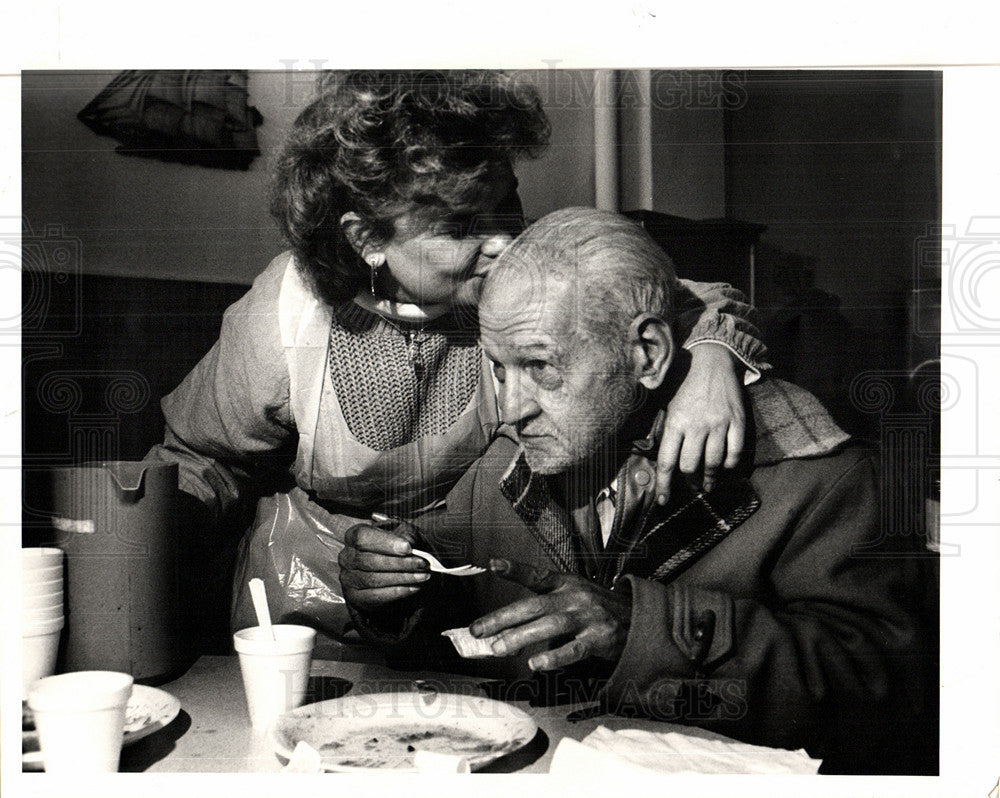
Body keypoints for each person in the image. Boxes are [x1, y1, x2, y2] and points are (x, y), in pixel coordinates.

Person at [145, 71, 768, 647]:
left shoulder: (519, 273)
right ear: (368, 240)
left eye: (508, 202)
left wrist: (712, 355)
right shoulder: (285, 313)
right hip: (297, 609)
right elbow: (200, 461)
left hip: (475, 587)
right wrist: (150, 543)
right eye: (462, 224)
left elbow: (675, 297)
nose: (504, 240)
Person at [338, 207, 929, 774]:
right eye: (498, 368)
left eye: (541, 366)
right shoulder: (506, 463)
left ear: (647, 353)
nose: (510, 410)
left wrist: (640, 630)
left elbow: (881, 697)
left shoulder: (813, 475)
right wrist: (393, 593)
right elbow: (453, 639)